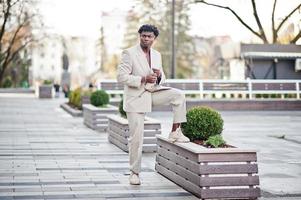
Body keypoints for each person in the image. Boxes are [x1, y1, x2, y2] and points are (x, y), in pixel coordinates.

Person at [117, 24, 189, 185]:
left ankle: (175, 131)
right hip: (136, 98)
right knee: (136, 138)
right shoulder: (129, 53)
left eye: (149, 36)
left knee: (179, 95)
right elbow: (121, 77)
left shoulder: (157, 54)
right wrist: (143, 79)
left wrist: (159, 76)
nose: (146, 38)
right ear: (139, 36)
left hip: (152, 93)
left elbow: (162, 78)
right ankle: (134, 173)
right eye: (143, 35)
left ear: (154, 39)